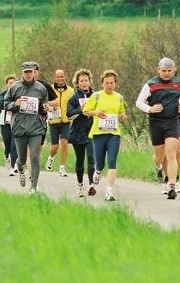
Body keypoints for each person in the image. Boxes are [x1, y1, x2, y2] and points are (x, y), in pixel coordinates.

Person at [135, 58, 180, 199]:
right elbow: (139, 102)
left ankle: (171, 184)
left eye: (169, 71)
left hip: (172, 122)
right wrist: (150, 109)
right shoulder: (150, 85)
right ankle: (158, 168)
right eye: (164, 71)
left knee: (171, 152)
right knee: (159, 156)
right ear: (158, 70)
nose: (166, 73)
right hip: (156, 122)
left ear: (174, 70)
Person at [3, 61, 49, 194]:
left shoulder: (41, 88)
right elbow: (5, 104)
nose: (29, 74)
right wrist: (15, 104)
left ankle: (33, 187)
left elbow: (44, 105)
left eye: (31, 71)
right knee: (22, 159)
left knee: (34, 156)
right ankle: (20, 168)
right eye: (26, 72)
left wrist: (46, 107)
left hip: (36, 127)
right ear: (22, 73)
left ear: (34, 72)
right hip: (19, 127)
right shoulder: (14, 87)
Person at [83, 69, 129, 201]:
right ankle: (97, 171)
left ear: (115, 84)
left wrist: (123, 117)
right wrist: (96, 112)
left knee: (112, 161)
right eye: (107, 83)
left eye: (112, 83)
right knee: (100, 163)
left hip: (114, 133)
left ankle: (109, 190)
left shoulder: (119, 97)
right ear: (102, 83)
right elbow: (85, 110)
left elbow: (121, 113)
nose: (109, 85)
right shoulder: (96, 96)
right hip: (99, 133)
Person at [66, 68, 96, 197]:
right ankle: (80, 185)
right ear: (77, 83)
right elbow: (69, 115)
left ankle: (91, 185)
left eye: (86, 80)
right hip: (78, 133)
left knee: (91, 158)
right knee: (80, 160)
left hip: (91, 132)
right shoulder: (74, 97)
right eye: (81, 81)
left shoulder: (95, 96)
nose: (84, 83)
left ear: (90, 82)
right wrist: (80, 110)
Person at [45, 69, 75, 177]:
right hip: (53, 120)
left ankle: (62, 167)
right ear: (55, 78)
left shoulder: (71, 91)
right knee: (54, 147)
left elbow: (74, 104)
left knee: (64, 143)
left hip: (66, 121)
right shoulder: (50, 89)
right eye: (58, 77)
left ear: (65, 77)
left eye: (61, 76)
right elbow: (45, 102)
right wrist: (48, 106)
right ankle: (51, 158)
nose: (60, 79)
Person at [0, 75, 19, 176]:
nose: (12, 85)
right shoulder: (3, 94)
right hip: (5, 121)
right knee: (7, 142)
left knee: (15, 144)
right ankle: (7, 155)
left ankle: (14, 166)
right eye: (10, 83)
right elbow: (2, 104)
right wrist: (14, 105)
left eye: (14, 83)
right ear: (6, 85)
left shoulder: (19, 94)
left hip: (16, 121)